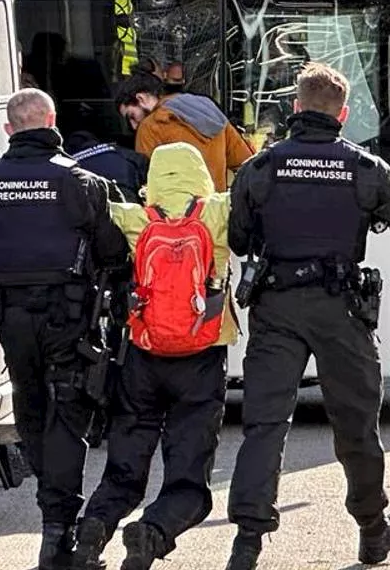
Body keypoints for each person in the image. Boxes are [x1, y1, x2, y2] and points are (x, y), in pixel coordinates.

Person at [225, 63, 390, 569]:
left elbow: (237, 239)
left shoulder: (262, 166)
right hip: (340, 309)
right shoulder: (364, 167)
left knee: (265, 425)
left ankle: (247, 544)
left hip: (276, 307)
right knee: (357, 425)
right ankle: (371, 530)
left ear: (296, 108)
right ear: (343, 114)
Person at [0, 89, 127, 569]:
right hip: (70, 318)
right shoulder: (83, 182)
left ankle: (54, 515)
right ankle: (57, 530)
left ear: (9, 130)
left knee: (33, 410)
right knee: (67, 415)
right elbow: (116, 254)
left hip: (14, 320)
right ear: (52, 120)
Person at [72, 142, 234, 570]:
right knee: (188, 478)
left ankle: (91, 532)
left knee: (124, 469)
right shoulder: (218, 212)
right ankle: (152, 532)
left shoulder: (135, 217)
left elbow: (89, 206)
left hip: (142, 356)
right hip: (202, 356)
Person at [117, 74, 254, 192]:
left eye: (132, 116)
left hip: (178, 217)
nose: (134, 126)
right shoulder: (209, 109)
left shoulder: (150, 127)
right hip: (215, 212)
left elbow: (147, 183)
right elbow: (245, 160)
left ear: (141, 99)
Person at [63, 130, 148, 203]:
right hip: (131, 201)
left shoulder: (70, 166)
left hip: (102, 210)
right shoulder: (118, 151)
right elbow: (144, 163)